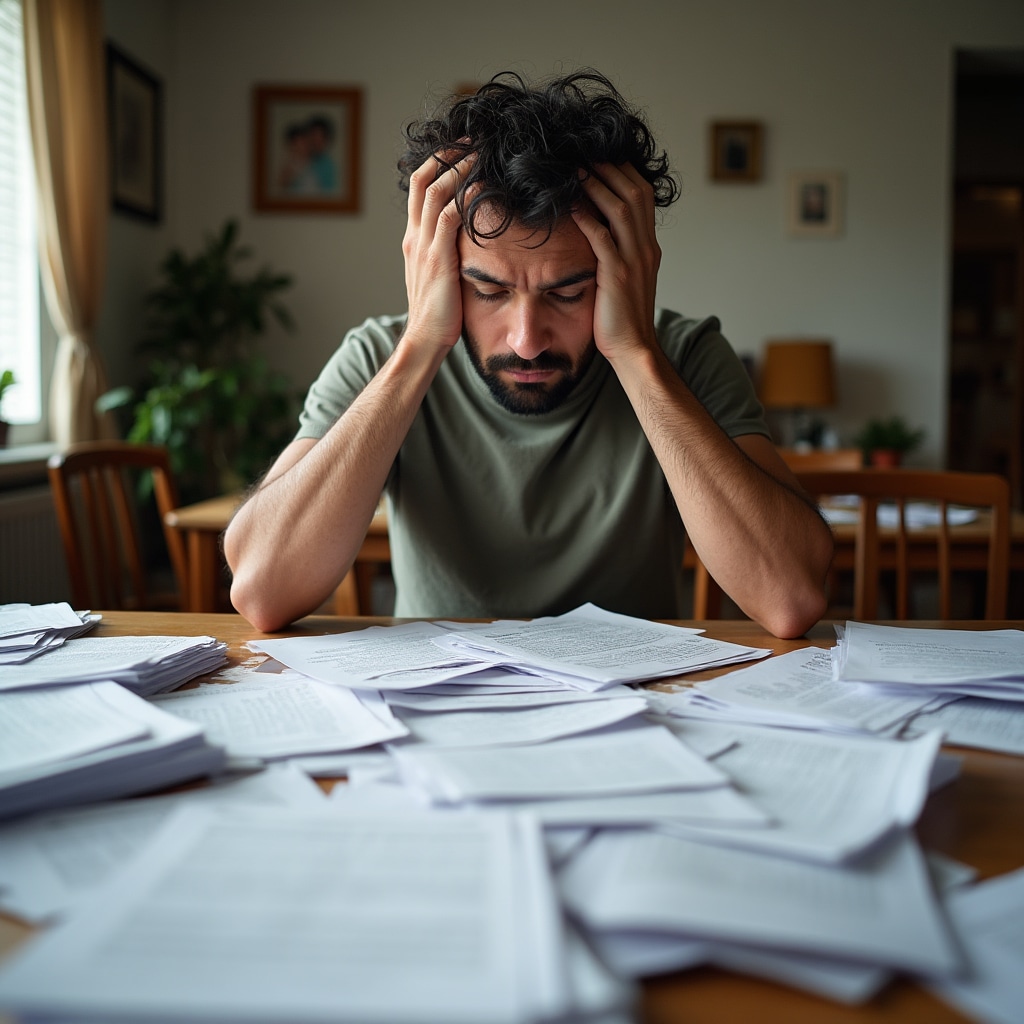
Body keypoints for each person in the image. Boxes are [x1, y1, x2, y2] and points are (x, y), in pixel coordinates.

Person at [225, 69, 833, 637]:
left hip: (635, 717)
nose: (526, 339)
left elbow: (791, 596)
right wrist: (418, 348)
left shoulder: (684, 355)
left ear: (627, 271)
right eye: (487, 290)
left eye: (568, 293)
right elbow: (262, 589)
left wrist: (636, 354)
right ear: (436, 271)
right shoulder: (380, 358)